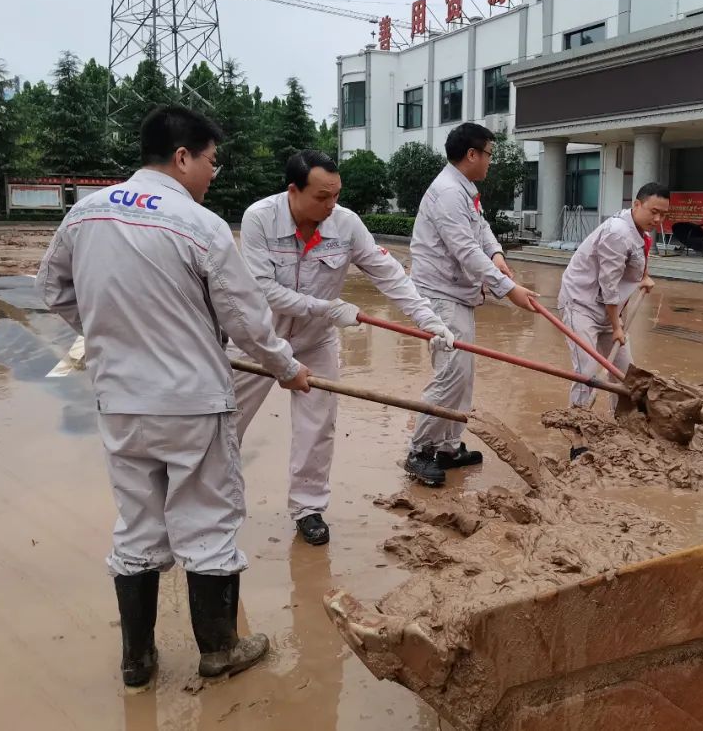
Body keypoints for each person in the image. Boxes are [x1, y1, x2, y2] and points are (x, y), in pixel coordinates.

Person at [36, 105, 311, 691]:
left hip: (120, 401)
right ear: (183, 157)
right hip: (192, 402)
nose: (213, 173)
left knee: (138, 522)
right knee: (207, 519)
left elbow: (53, 289)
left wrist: (113, 334)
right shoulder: (200, 225)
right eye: (211, 161)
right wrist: (287, 369)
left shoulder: (85, 214)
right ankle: (220, 650)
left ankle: (137, 660)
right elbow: (247, 321)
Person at [229, 149, 455, 545]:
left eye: (336, 194)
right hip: (259, 339)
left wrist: (429, 319)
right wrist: (328, 308)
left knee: (317, 427)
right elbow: (263, 289)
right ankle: (214, 503)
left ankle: (308, 508)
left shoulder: (346, 224)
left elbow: (389, 274)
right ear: (293, 191)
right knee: (226, 420)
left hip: (315, 341)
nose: (331, 204)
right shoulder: (259, 218)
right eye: (322, 196)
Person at [404, 122, 539, 486]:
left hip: (457, 295)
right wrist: (508, 289)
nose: (491, 161)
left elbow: (480, 231)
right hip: (440, 296)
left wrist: (496, 254)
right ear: (471, 154)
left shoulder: (464, 189)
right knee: (450, 374)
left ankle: (448, 447)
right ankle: (420, 451)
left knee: (462, 376)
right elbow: (465, 251)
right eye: (489, 154)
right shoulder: (449, 193)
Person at [558, 183, 670, 413]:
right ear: (636, 205)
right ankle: (577, 425)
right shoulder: (618, 233)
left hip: (610, 309)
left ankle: (622, 423)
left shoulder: (640, 229)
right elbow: (608, 286)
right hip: (581, 305)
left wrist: (644, 277)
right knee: (587, 372)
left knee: (625, 373)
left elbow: (640, 254)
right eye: (654, 212)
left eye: (663, 214)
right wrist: (616, 326)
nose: (658, 219)